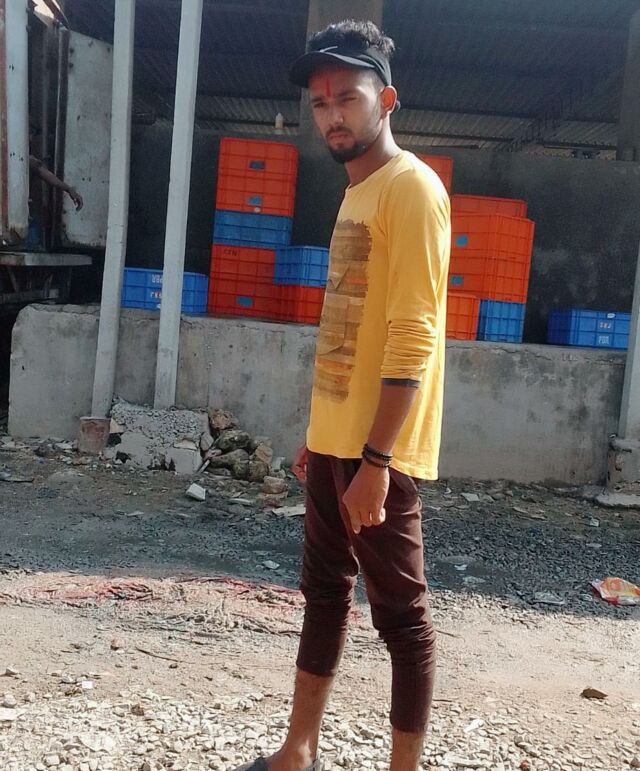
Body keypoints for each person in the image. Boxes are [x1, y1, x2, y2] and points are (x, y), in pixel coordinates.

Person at [234, 19, 451, 771]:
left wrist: (377, 459)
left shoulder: (411, 189)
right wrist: (320, 431)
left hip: (378, 452)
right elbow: (348, 327)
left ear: (385, 99)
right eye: (321, 102)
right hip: (338, 441)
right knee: (324, 592)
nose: (332, 114)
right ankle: (298, 751)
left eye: (347, 97)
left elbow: (413, 333)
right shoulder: (356, 192)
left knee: (402, 617)